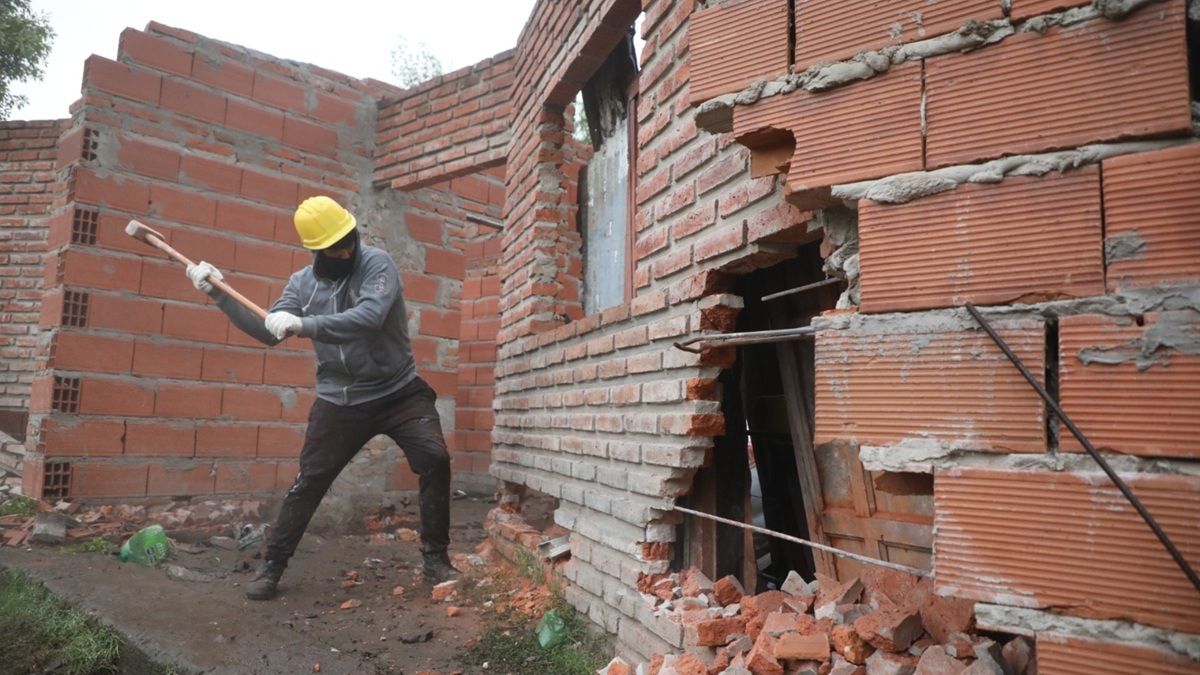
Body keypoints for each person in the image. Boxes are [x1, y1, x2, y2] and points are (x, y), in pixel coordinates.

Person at [185, 195, 457, 600]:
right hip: (341, 400)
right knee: (308, 482)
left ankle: (435, 559)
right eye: (336, 247)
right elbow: (266, 331)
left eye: (350, 240)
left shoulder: (376, 264)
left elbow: (369, 318)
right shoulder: (301, 285)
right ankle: (272, 566)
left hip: (399, 391)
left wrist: (304, 323)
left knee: (435, 458)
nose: (347, 250)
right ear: (317, 250)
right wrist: (218, 293)